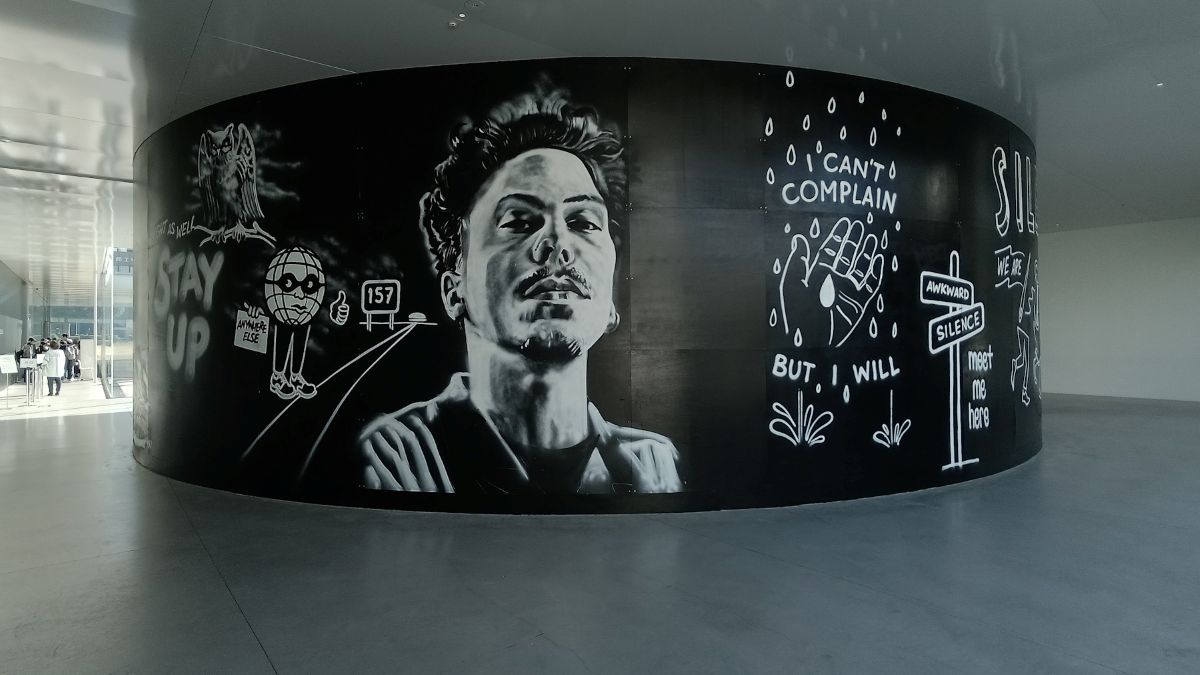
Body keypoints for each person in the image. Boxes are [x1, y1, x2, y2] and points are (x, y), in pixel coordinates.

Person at [358, 81, 682, 496]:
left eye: (584, 222)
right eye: (518, 221)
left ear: (611, 301)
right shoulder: (397, 455)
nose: (558, 244)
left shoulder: (653, 467)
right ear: (454, 288)